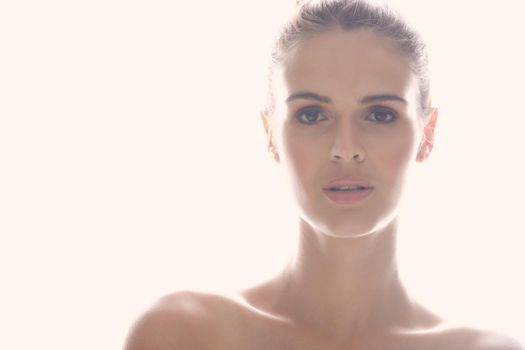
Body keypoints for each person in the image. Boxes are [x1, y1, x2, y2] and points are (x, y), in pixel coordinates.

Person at [124, 0, 523, 349]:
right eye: (312, 115)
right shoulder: (184, 336)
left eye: (380, 114)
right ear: (271, 135)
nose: (344, 147)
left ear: (427, 133)